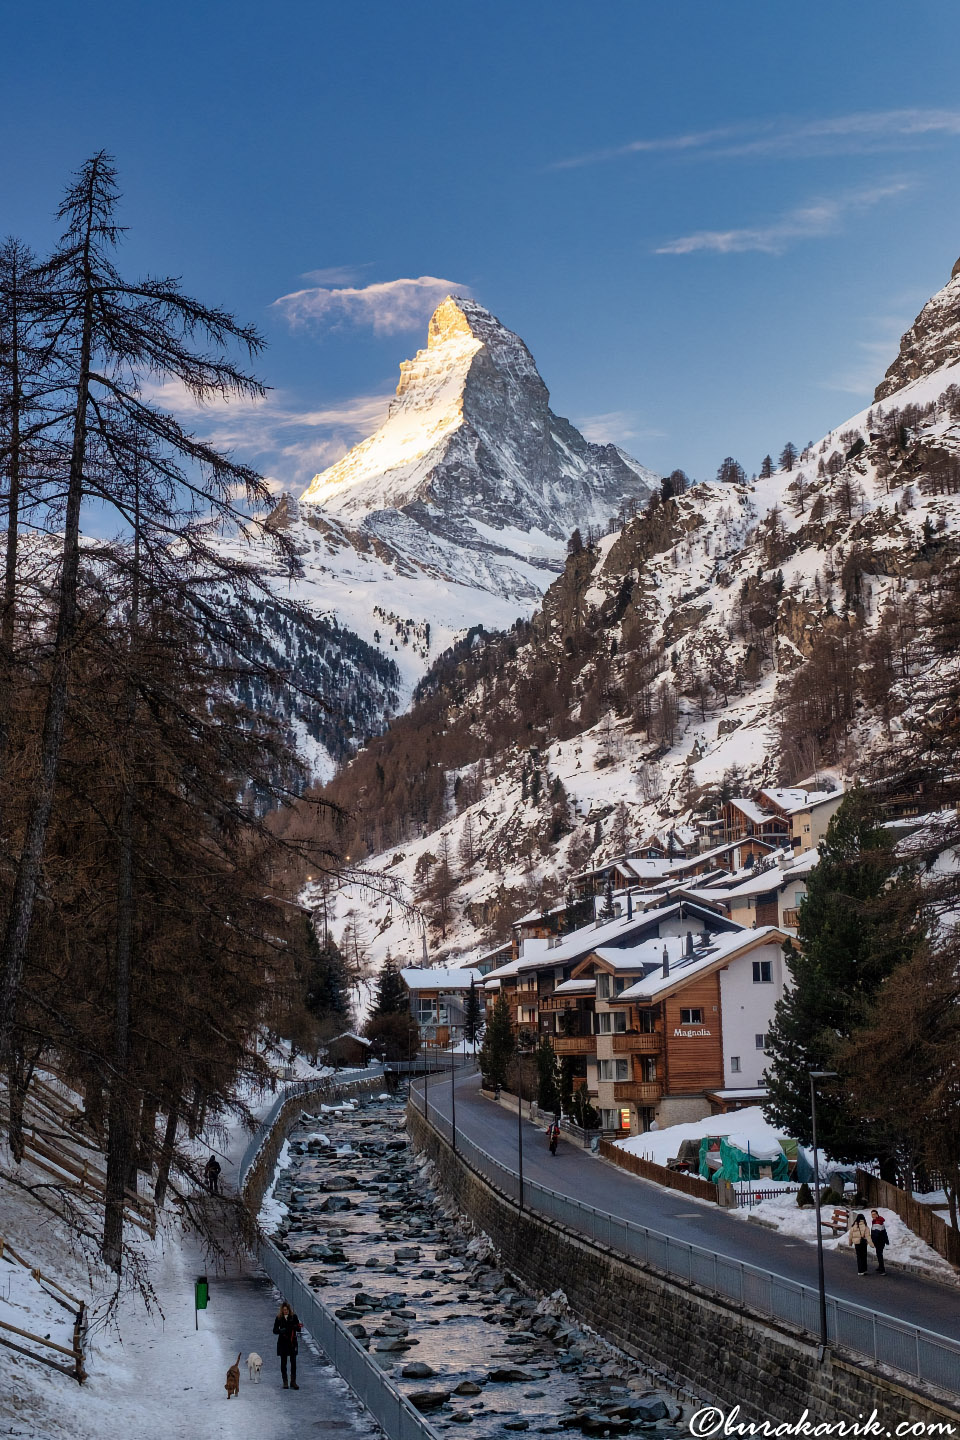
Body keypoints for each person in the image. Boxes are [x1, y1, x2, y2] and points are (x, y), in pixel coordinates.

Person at [273, 1300, 302, 1389]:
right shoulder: (279, 1318)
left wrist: (295, 1327)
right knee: (283, 1363)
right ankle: (285, 1381)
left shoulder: (294, 1317)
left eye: (286, 1310)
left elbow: (299, 1329)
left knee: (293, 1363)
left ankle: (293, 1382)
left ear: (289, 1310)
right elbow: (274, 1330)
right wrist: (281, 1331)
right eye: (284, 1310)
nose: (285, 1311)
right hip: (283, 1342)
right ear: (282, 1310)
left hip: (292, 1342)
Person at [870, 1210, 889, 1275]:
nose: (873, 1215)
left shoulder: (878, 1222)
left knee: (879, 1254)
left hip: (879, 1241)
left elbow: (876, 1234)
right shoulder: (877, 1221)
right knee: (879, 1254)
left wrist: (872, 1241)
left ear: (877, 1214)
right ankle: (880, 1266)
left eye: (874, 1214)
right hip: (881, 1240)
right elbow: (884, 1231)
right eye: (872, 1214)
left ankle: (882, 1270)